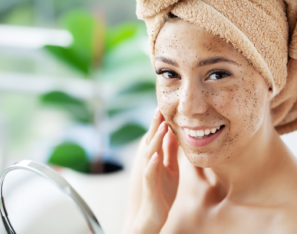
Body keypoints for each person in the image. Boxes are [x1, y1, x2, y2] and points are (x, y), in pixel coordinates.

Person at [122, 0, 297, 233]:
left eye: (217, 74)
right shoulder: (157, 162)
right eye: (169, 73)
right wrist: (147, 222)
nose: (187, 107)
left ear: (271, 80)